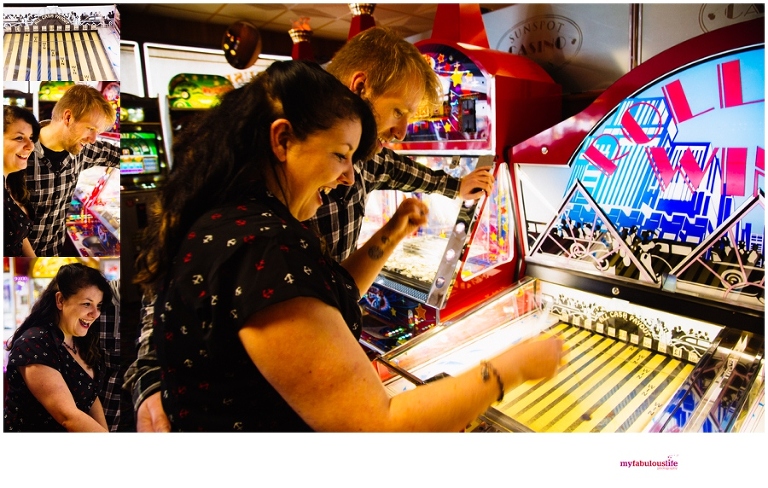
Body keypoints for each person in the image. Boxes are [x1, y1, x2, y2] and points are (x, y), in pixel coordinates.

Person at [126, 60, 563, 432]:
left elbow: (322, 293)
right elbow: (377, 424)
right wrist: (513, 368)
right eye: (341, 155)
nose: (351, 177)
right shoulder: (264, 246)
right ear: (282, 140)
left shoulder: (228, 218)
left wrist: (392, 232)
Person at [310, 26, 495, 262]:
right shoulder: (288, 172)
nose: (401, 133)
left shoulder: (366, 157)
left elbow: (396, 168)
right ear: (360, 88)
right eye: (398, 111)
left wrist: (456, 186)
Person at [4, 262, 113, 432]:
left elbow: (90, 396)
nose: (95, 313)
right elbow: (67, 416)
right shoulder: (34, 342)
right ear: (60, 300)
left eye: (98, 306)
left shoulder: (81, 339)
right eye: (86, 304)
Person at [24, 83, 120, 256]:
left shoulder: (83, 150)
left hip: (54, 254)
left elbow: (121, 154)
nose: (92, 139)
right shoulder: (20, 151)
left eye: (97, 132)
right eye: (90, 128)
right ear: (68, 117)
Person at [3, 105, 40, 257]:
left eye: (31, 138)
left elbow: (17, 237)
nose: (31, 146)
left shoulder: (11, 182)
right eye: (19, 137)